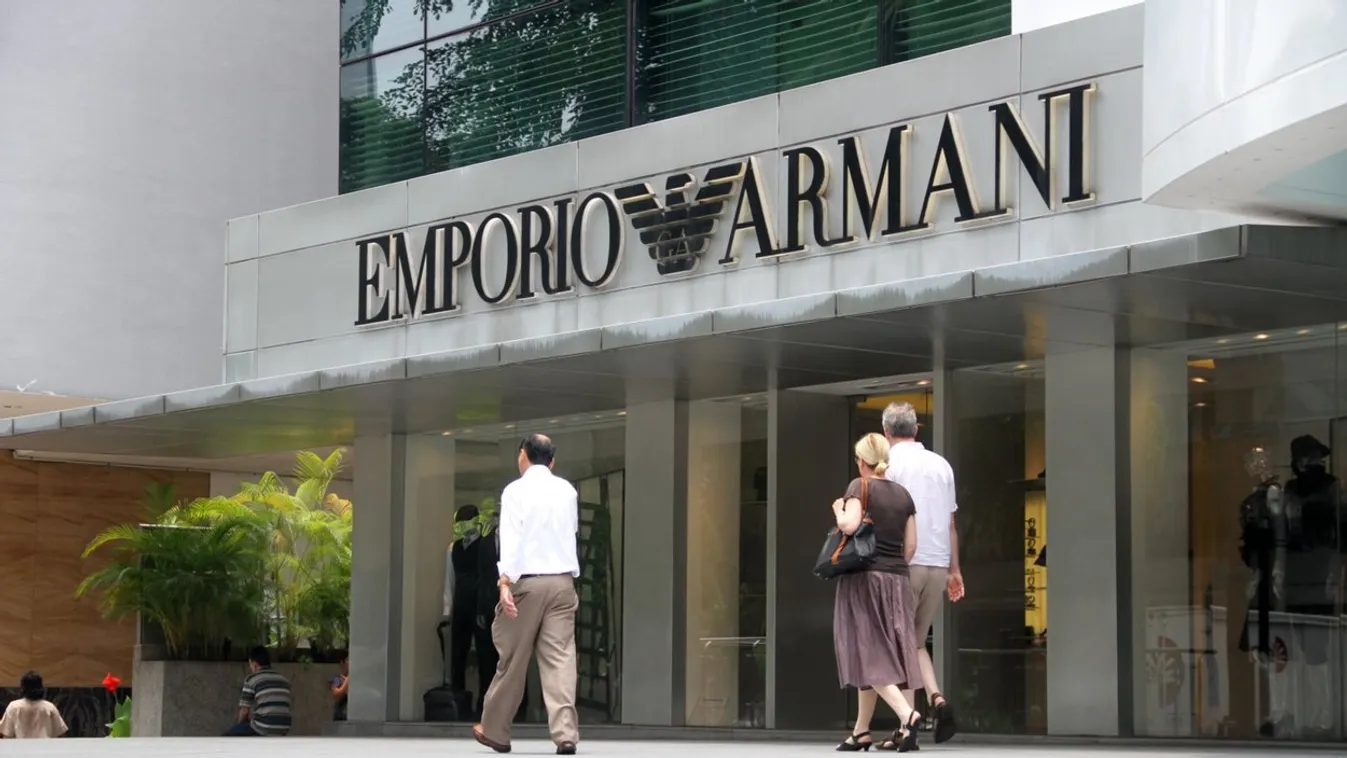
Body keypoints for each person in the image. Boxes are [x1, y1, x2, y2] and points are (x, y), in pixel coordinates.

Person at [473, 434, 581, 756]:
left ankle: (495, 731)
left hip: (527, 583)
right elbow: (571, 531)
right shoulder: (568, 490)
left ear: (523, 455)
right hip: (562, 584)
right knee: (560, 659)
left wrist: (505, 582)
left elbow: (511, 540)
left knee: (513, 658)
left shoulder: (515, 491)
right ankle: (566, 735)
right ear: (552, 461)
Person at [834, 433, 924, 753]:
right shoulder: (903, 495)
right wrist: (893, 568)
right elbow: (911, 546)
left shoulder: (859, 486)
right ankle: (861, 731)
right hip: (897, 579)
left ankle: (907, 715)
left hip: (865, 580)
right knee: (873, 653)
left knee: (868, 654)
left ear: (861, 461)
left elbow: (849, 525)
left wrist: (838, 509)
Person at [880, 401, 964, 743]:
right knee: (915, 642)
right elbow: (950, 522)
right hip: (938, 563)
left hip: (905, 562)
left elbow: (887, 518)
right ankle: (935, 700)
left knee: (900, 644)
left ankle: (908, 725)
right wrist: (955, 570)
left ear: (886, 433)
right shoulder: (941, 465)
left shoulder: (889, 466)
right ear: (916, 429)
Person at [224, 646, 291, 736]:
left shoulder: (252, 679)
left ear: (254, 664)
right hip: (284, 728)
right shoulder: (283, 680)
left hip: (264, 727)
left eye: (250, 665)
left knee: (227, 737)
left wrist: (239, 725)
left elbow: (244, 711)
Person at [0, 671, 67, 739]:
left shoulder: (13, 707)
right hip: (46, 748)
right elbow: (60, 733)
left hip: (20, 749)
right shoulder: (49, 707)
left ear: (23, 688)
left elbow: (7, 735)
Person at [331, 649, 349, 722]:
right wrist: (348, 680)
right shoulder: (337, 679)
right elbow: (337, 695)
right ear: (342, 663)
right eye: (348, 660)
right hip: (340, 716)